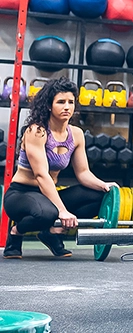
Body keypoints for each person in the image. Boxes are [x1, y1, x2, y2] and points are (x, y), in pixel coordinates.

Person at [3, 77, 117, 259]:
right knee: (49, 213)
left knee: (100, 197)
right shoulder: (36, 131)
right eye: (61, 102)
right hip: (21, 195)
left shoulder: (76, 134)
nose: (67, 107)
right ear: (49, 105)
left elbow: (83, 173)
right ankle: (16, 232)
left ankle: (53, 232)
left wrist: (104, 185)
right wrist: (62, 210)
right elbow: (41, 175)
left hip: (48, 194)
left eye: (71, 102)